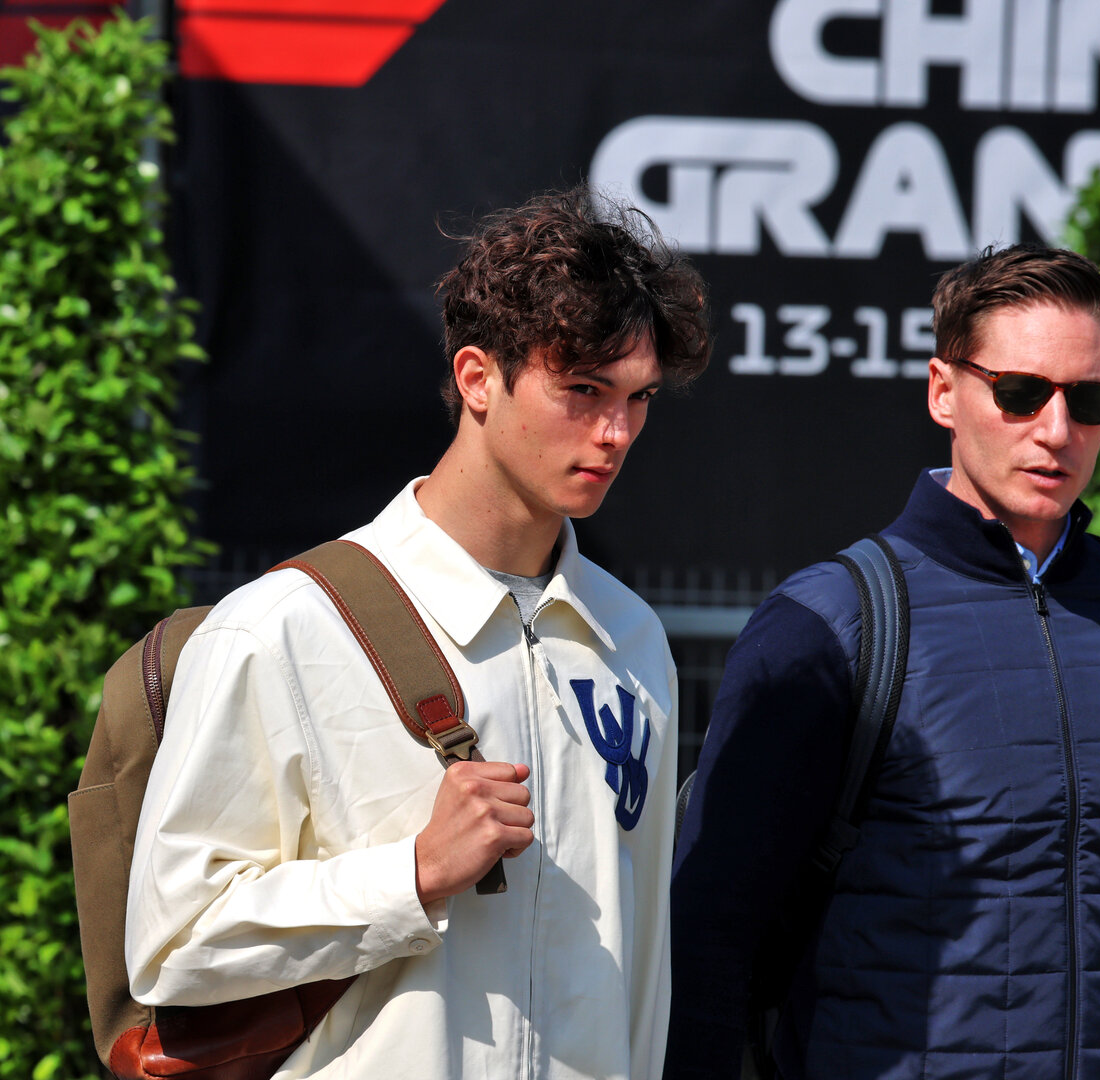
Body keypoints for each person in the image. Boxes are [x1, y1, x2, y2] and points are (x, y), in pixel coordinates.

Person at [125, 187, 710, 1078]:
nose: (617, 431)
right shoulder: (282, 629)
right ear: (479, 378)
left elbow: (644, 974)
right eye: (583, 390)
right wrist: (413, 875)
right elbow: (174, 947)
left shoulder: (630, 638)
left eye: (639, 398)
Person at [666, 243, 1100, 1080]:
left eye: (1089, 398)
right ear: (944, 392)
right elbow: (709, 937)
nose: (1055, 429)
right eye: (1019, 392)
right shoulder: (826, 626)